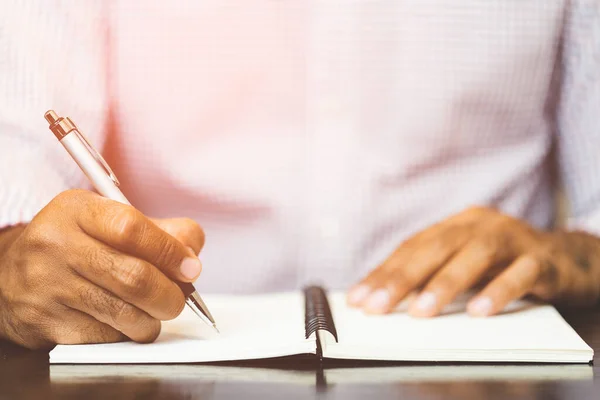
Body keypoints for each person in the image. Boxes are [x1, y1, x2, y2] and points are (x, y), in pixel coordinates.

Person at [0, 1, 599, 349]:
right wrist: (16, 265)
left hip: (494, 351)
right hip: (158, 357)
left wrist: (573, 255)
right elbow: (14, 209)